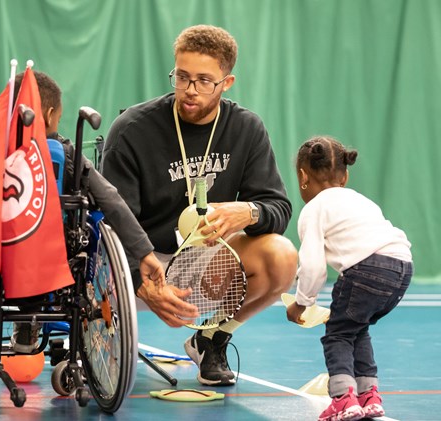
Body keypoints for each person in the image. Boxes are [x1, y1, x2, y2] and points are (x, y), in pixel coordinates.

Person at [101, 24, 298, 386]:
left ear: (227, 82)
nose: (190, 91)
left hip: (203, 261)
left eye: (204, 81)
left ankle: (210, 339)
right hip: (138, 265)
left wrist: (249, 212)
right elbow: (111, 224)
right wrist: (142, 282)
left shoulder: (247, 129)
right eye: (182, 77)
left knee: (282, 256)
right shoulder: (131, 130)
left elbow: (278, 208)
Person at [0, 70, 166, 352]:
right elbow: (110, 198)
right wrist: (144, 252)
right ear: (48, 115)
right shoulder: (66, 151)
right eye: (59, 116)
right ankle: (32, 320)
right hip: (55, 262)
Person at [286, 135, 413, 421]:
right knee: (357, 327)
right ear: (345, 176)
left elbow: (314, 266)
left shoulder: (314, 209)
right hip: (401, 267)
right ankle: (369, 396)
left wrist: (301, 303)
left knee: (338, 333)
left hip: (367, 269)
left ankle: (344, 400)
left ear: (303, 176)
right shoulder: (361, 200)